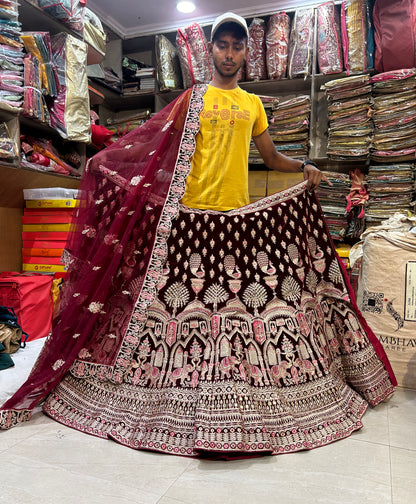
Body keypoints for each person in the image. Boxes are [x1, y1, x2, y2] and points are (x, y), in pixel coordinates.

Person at [0, 13, 396, 458]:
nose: (229, 54)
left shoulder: (252, 105)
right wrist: (104, 163)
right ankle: (165, 385)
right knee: (172, 309)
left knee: (233, 308)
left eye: (236, 47)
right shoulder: (192, 100)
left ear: (246, 53)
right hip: (186, 222)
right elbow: (153, 146)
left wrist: (302, 167)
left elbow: (269, 156)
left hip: (235, 223)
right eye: (221, 45)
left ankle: (233, 381)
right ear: (210, 50)